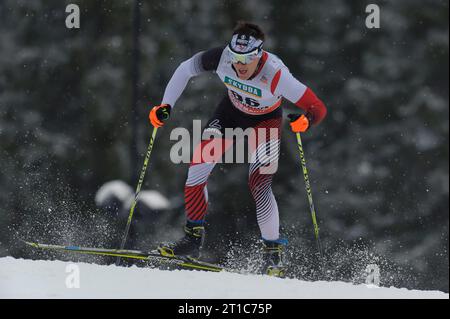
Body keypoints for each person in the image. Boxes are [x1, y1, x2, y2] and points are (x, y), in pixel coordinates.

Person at [149, 21, 327, 276]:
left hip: (264, 120)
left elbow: (317, 107)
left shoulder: (275, 74)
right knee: (198, 167)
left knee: (258, 183)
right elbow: (184, 69)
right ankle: (191, 241)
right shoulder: (221, 58)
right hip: (230, 113)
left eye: (246, 60)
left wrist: (306, 121)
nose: (239, 66)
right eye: (235, 59)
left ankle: (272, 256)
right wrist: (165, 106)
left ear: (259, 55)